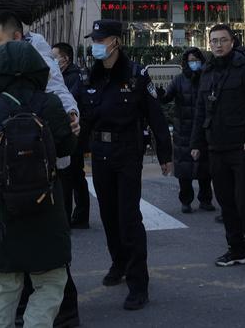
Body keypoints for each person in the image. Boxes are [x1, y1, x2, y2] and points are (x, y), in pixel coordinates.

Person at [0, 40, 76, 328]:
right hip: (45, 204)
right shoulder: (50, 104)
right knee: (50, 280)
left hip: (0, 208)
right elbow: (66, 147)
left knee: (4, 283)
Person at [82, 19, 173, 310]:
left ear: (116, 42)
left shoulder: (136, 75)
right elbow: (84, 118)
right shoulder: (92, 76)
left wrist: (165, 154)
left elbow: (155, 115)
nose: (96, 45)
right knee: (109, 216)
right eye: (94, 40)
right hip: (100, 153)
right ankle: (118, 263)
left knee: (129, 218)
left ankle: (138, 283)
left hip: (127, 153)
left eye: (101, 40)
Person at [191, 23, 245, 275]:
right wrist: (196, 143)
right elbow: (201, 110)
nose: (218, 45)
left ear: (232, 42)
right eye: (214, 41)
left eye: (223, 40)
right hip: (216, 148)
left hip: (243, 148)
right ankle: (237, 250)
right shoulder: (207, 71)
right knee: (226, 203)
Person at [162, 47, 214, 214]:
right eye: (191, 61)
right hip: (183, 130)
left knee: (205, 168)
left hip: (203, 130)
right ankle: (186, 201)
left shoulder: (207, 78)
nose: (194, 63)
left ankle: (205, 199)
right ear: (186, 62)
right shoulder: (178, 80)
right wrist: (160, 94)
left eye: (196, 60)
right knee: (184, 170)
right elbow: (166, 97)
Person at [53, 41, 90, 228]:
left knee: (72, 176)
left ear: (65, 59)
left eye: (54, 57)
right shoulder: (62, 75)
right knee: (73, 176)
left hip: (74, 134)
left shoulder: (74, 77)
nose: (51, 61)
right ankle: (77, 215)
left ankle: (75, 217)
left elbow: (68, 101)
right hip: (70, 134)